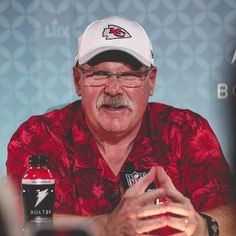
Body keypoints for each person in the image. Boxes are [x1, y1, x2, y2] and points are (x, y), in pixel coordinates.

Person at [6, 16, 236, 235]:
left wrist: (203, 227)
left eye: (129, 75)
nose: (114, 88)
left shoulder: (185, 130)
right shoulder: (39, 135)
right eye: (99, 74)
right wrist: (105, 227)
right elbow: (22, 224)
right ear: (78, 81)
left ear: (151, 81)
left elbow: (230, 213)